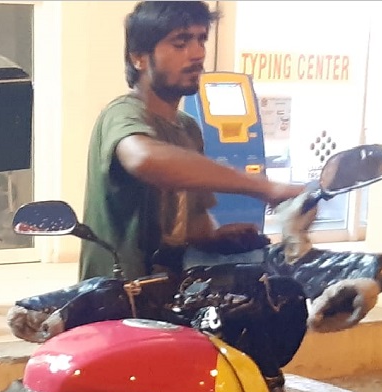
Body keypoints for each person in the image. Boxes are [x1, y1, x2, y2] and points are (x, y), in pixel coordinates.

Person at [79, 0, 305, 283]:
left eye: (201, 40)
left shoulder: (188, 129)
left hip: (170, 293)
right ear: (139, 58)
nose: (197, 54)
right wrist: (265, 188)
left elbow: (193, 221)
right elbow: (143, 158)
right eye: (180, 43)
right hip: (117, 296)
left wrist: (215, 238)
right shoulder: (123, 113)